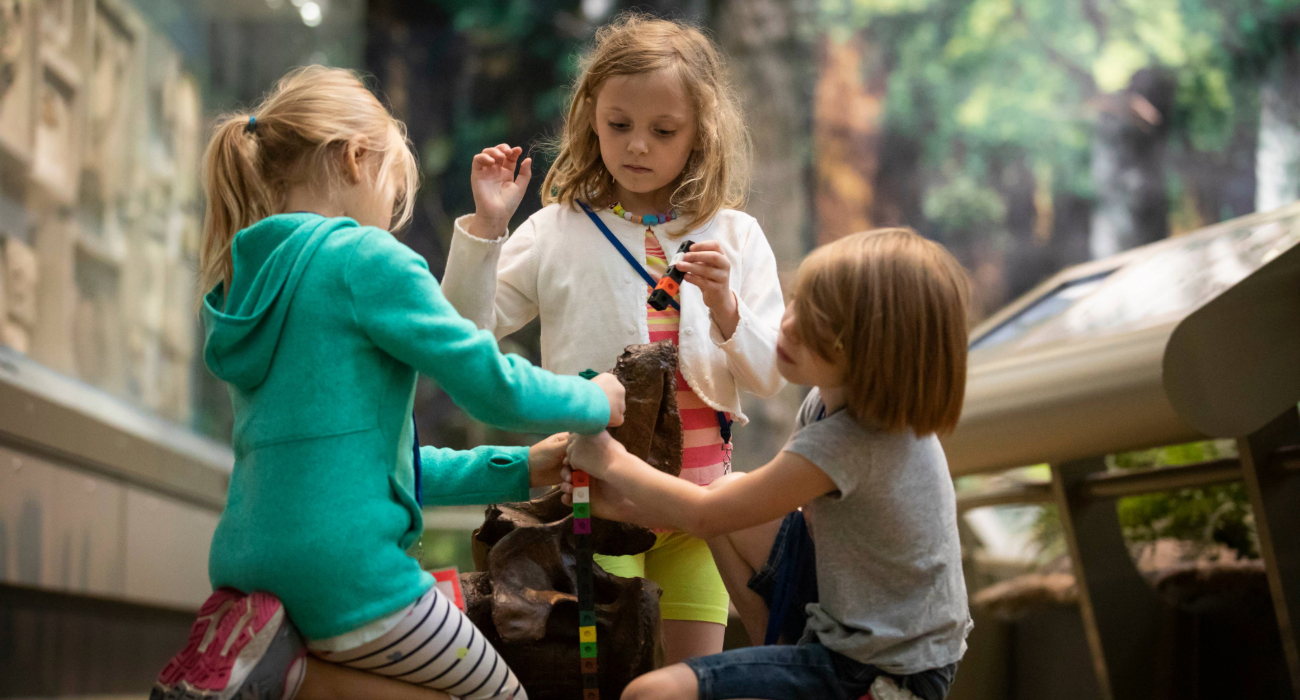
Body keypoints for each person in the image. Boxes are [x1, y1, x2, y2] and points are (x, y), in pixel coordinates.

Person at [151, 65, 627, 700]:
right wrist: (592, 399)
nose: (391, 217)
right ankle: (294, 679)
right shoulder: (361, 258)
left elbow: (380, 467)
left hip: (252, 574)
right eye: (393, 191)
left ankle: (284, 673)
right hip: (351, 577)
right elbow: (488, 383)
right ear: (353, 159)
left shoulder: (251, 282)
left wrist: (521, 467)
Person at [440, 14, 785, 664]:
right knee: (599, 684)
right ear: (589, 116)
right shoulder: (555, 230)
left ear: (701, 133)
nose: (637, 146)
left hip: (699, 513)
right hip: (591, 509)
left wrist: (726, 308)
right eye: (618, 124)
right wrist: (487, 226)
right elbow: (461, 334)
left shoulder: (737, 236)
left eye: (664, 131)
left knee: (685, 683)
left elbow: (769, 377)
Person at [565, 228, 975, 700]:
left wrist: (610, 459)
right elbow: (736, 508)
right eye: (801, 302)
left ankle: (779, 672)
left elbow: (702, 517)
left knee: (651, 693)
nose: (790, 326)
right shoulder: (830, 401)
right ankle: (776, 654)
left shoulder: (851, 442)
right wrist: (618, 505)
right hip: (861, 619)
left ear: (874, 357)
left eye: (822, 328)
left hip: (884, 672)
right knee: (726, 490)